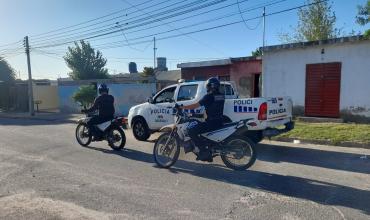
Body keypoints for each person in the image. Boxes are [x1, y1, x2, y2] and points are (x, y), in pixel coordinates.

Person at [180, 77, 225, 162]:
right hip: (219, 121)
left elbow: (196, 105)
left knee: (191, 131)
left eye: (208, 86)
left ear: (211, 86)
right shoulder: (221, 96)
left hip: (211, 123)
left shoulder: (209, 96)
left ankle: (204, 152)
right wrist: (196, 114)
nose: (207, 88)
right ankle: (207, 149)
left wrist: (182, 107)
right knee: (199, 127)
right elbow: (212, 108)